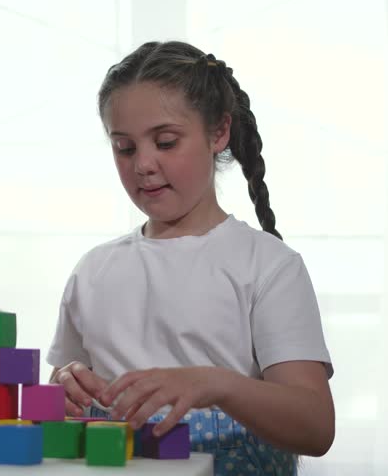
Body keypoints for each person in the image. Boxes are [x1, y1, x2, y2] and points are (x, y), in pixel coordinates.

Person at [47, 41, 333, 474]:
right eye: (124, 148)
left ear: (218, 132)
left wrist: (215, 384)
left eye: (165, 142)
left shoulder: (268, 265)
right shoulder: (94, 270)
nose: (143, 163)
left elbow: (315, 426)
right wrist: (62, 390)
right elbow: (64, 403)